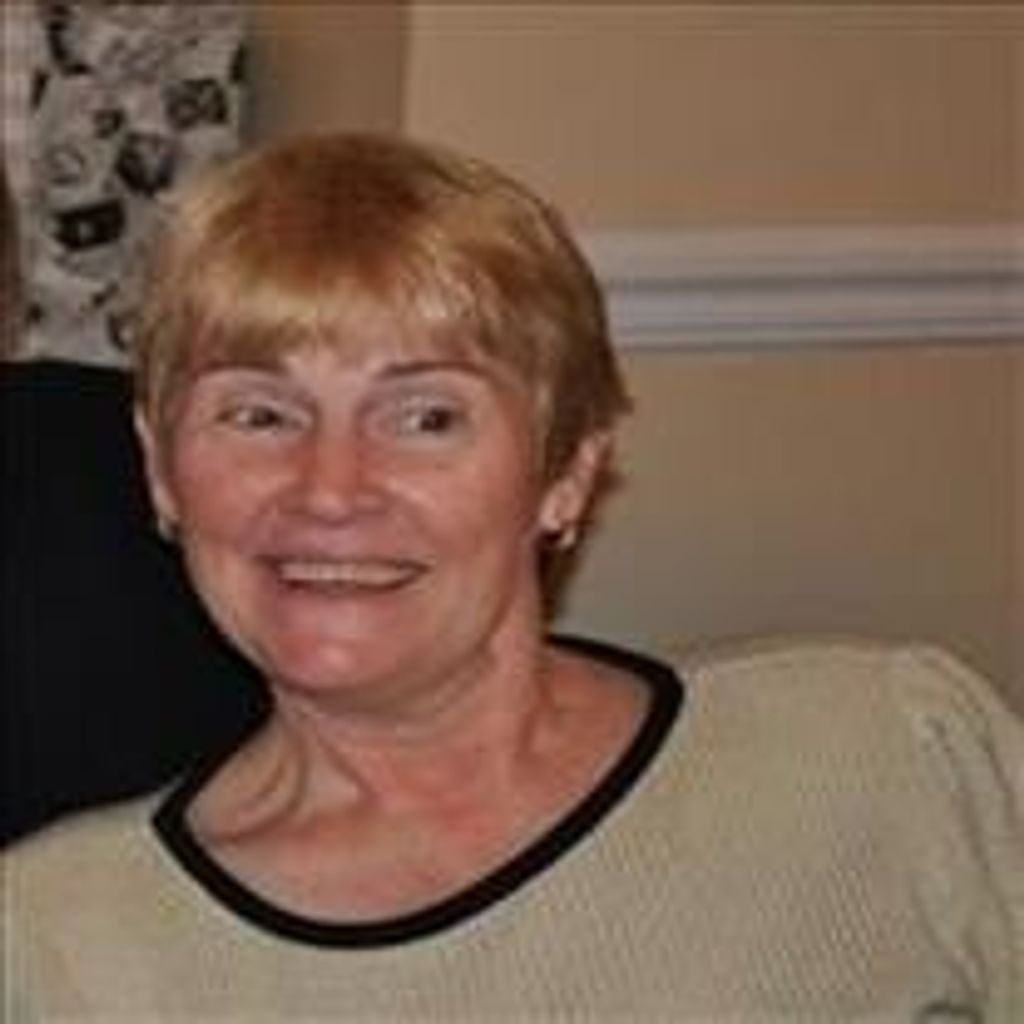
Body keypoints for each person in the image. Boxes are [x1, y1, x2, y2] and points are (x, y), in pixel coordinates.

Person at [3, 133, 1022, 1021]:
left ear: (565, 470)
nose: (331, 489)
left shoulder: (886, 757)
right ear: (161, 471)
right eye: (259, 414)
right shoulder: (56, 940)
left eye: (426, 417)